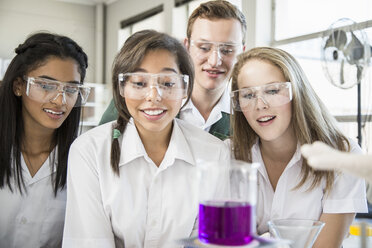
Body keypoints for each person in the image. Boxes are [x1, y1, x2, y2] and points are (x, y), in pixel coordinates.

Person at [62, 30, 230, 247]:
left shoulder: (214, 153)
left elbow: (211, 242)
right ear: (121, 87)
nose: (153, 96)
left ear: (185, 88)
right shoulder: (89, 151)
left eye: (168, 83)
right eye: (139, 83)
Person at [229, 47, 367, 247]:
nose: (260, 105)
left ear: (298, 91)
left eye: (273, 90)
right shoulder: (228, 155)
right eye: (248, 95)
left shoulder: (342, 155)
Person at [99, 0, 246, 140]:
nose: (214, 61)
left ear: (242, 53)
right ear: (187, 47)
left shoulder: (248, 114)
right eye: (204, 48)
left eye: (227, 50)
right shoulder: (135, 99)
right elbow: (99, 149)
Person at [0, 32, 90, 248]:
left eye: (70, 89)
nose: (60, 101)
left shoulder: (83, 162)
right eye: (46, 85)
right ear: (18, 86)